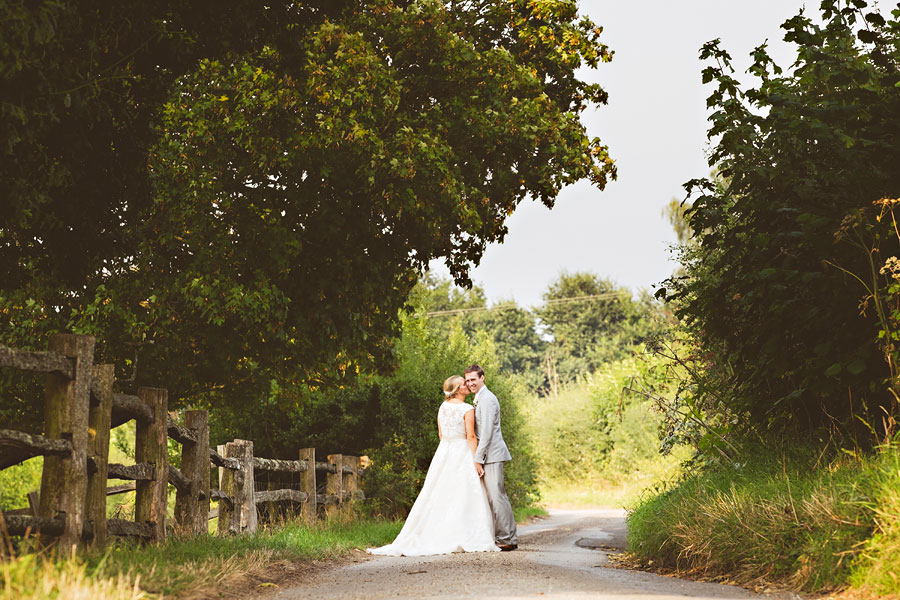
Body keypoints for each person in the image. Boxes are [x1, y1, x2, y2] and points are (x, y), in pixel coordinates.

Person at [366, 375, 500, 556]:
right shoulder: (467, 409)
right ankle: (463, 533)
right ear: (457, 389)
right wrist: (477, 460)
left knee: (440, 492)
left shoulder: (442, 407)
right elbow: (470, 437)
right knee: (464, 492)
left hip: (444, 452)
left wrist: (449, 446)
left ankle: (438, 532)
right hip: (462, 451)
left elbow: (440, 434)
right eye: (463, 384)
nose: (467, 386)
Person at [465, 364, 518, 551]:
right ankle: (508, 536)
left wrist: (478, 458)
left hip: (492, 454)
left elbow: (486, 433)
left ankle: (506, 538)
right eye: (468, 380)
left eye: (473, 379)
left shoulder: (487, 399)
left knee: (497, 496)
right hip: (489, 454)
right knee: (496, 496)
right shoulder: (479, 398)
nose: (470, 383)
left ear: (482, 378)